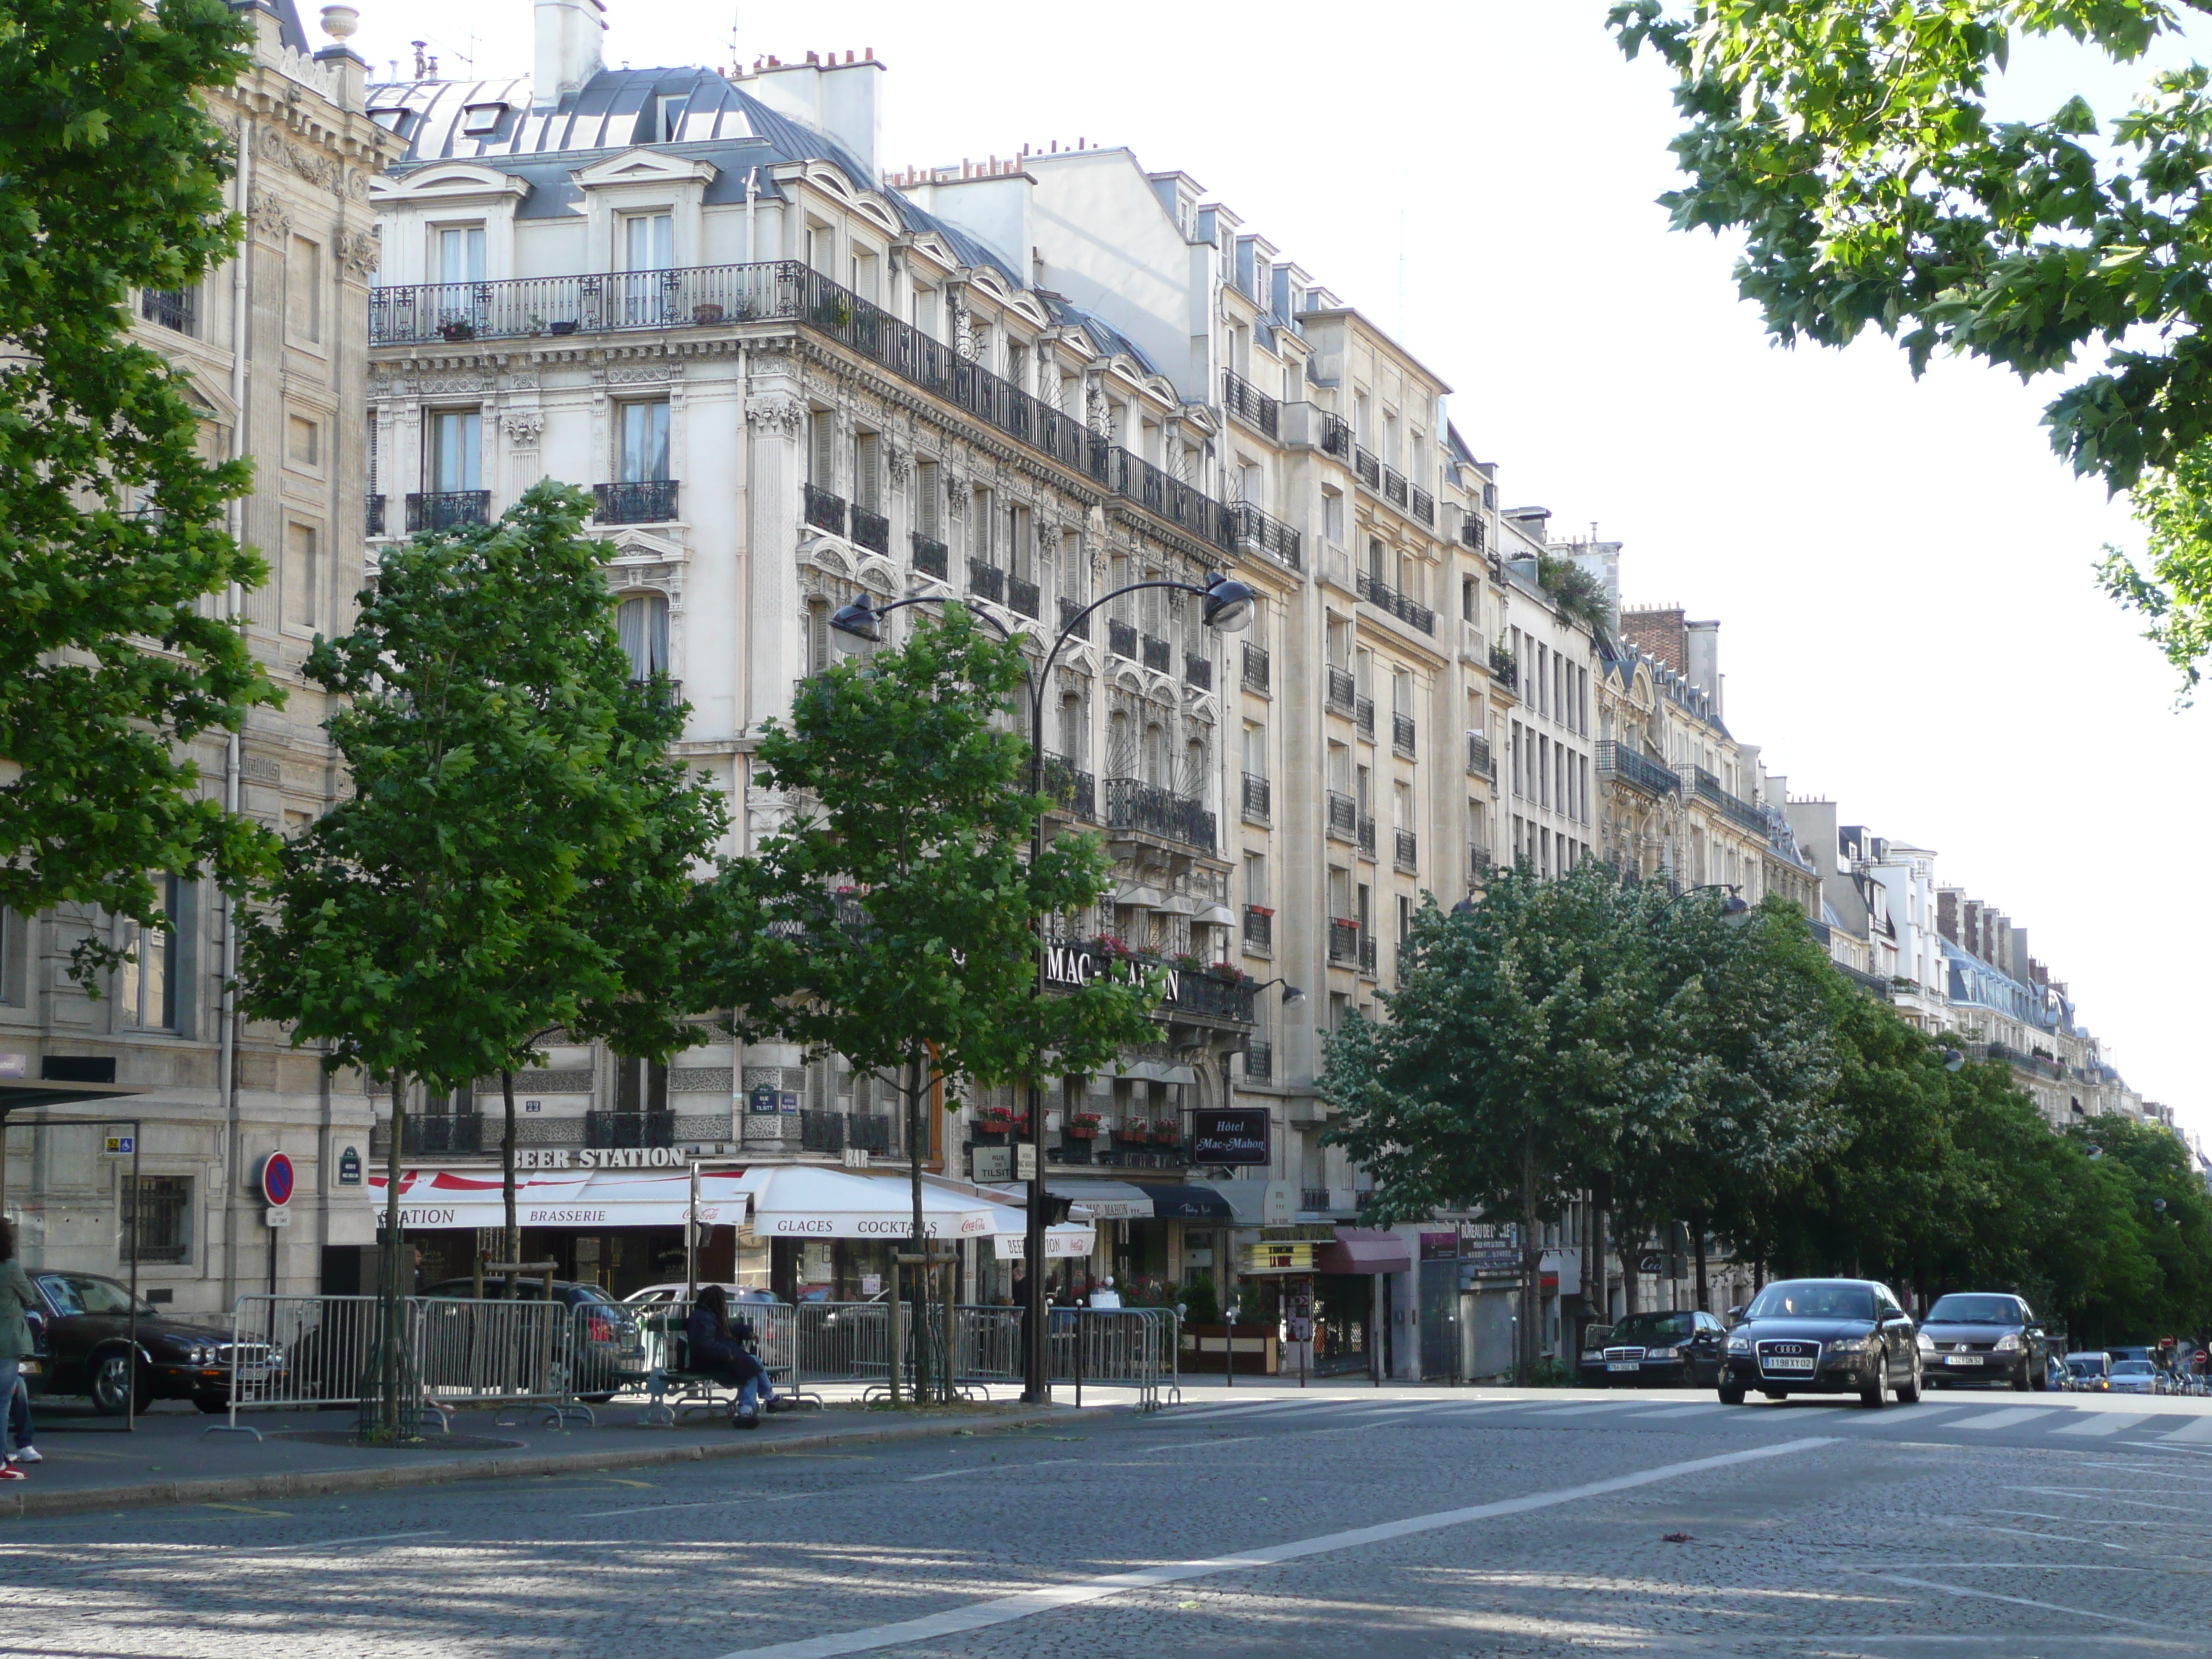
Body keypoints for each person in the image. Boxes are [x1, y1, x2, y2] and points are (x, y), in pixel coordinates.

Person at [686, 1285, 773, 1427]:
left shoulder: (709, 1315)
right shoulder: (703, 1317)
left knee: (751, 1364)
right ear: (717, 1301)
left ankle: (752, 1407)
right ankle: (762, 1400)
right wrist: (727, 1353)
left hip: (716, 1358)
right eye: (723, 1300)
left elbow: (725, 1332)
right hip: (710, 1361)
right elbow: (704, 1344)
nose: (725, 1304)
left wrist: (745, 1332)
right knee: (750, 1366)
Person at [0, 1219, 37, 1481]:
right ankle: (2, 1460)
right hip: (6, 1342)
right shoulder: (10, 1267)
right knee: (2, 1402)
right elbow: (30, 1296)